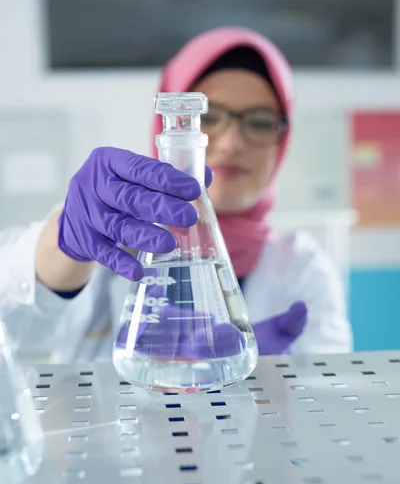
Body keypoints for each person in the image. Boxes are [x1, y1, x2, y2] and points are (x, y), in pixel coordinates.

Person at [0, 26, 352, 364]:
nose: (231, 143)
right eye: (209, 118)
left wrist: (277, 378)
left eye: (259, 122)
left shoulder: (302, 267)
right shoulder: (108, 230)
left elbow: (330, 390)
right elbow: (17, 325)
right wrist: (63, 245)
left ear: (282, 139)